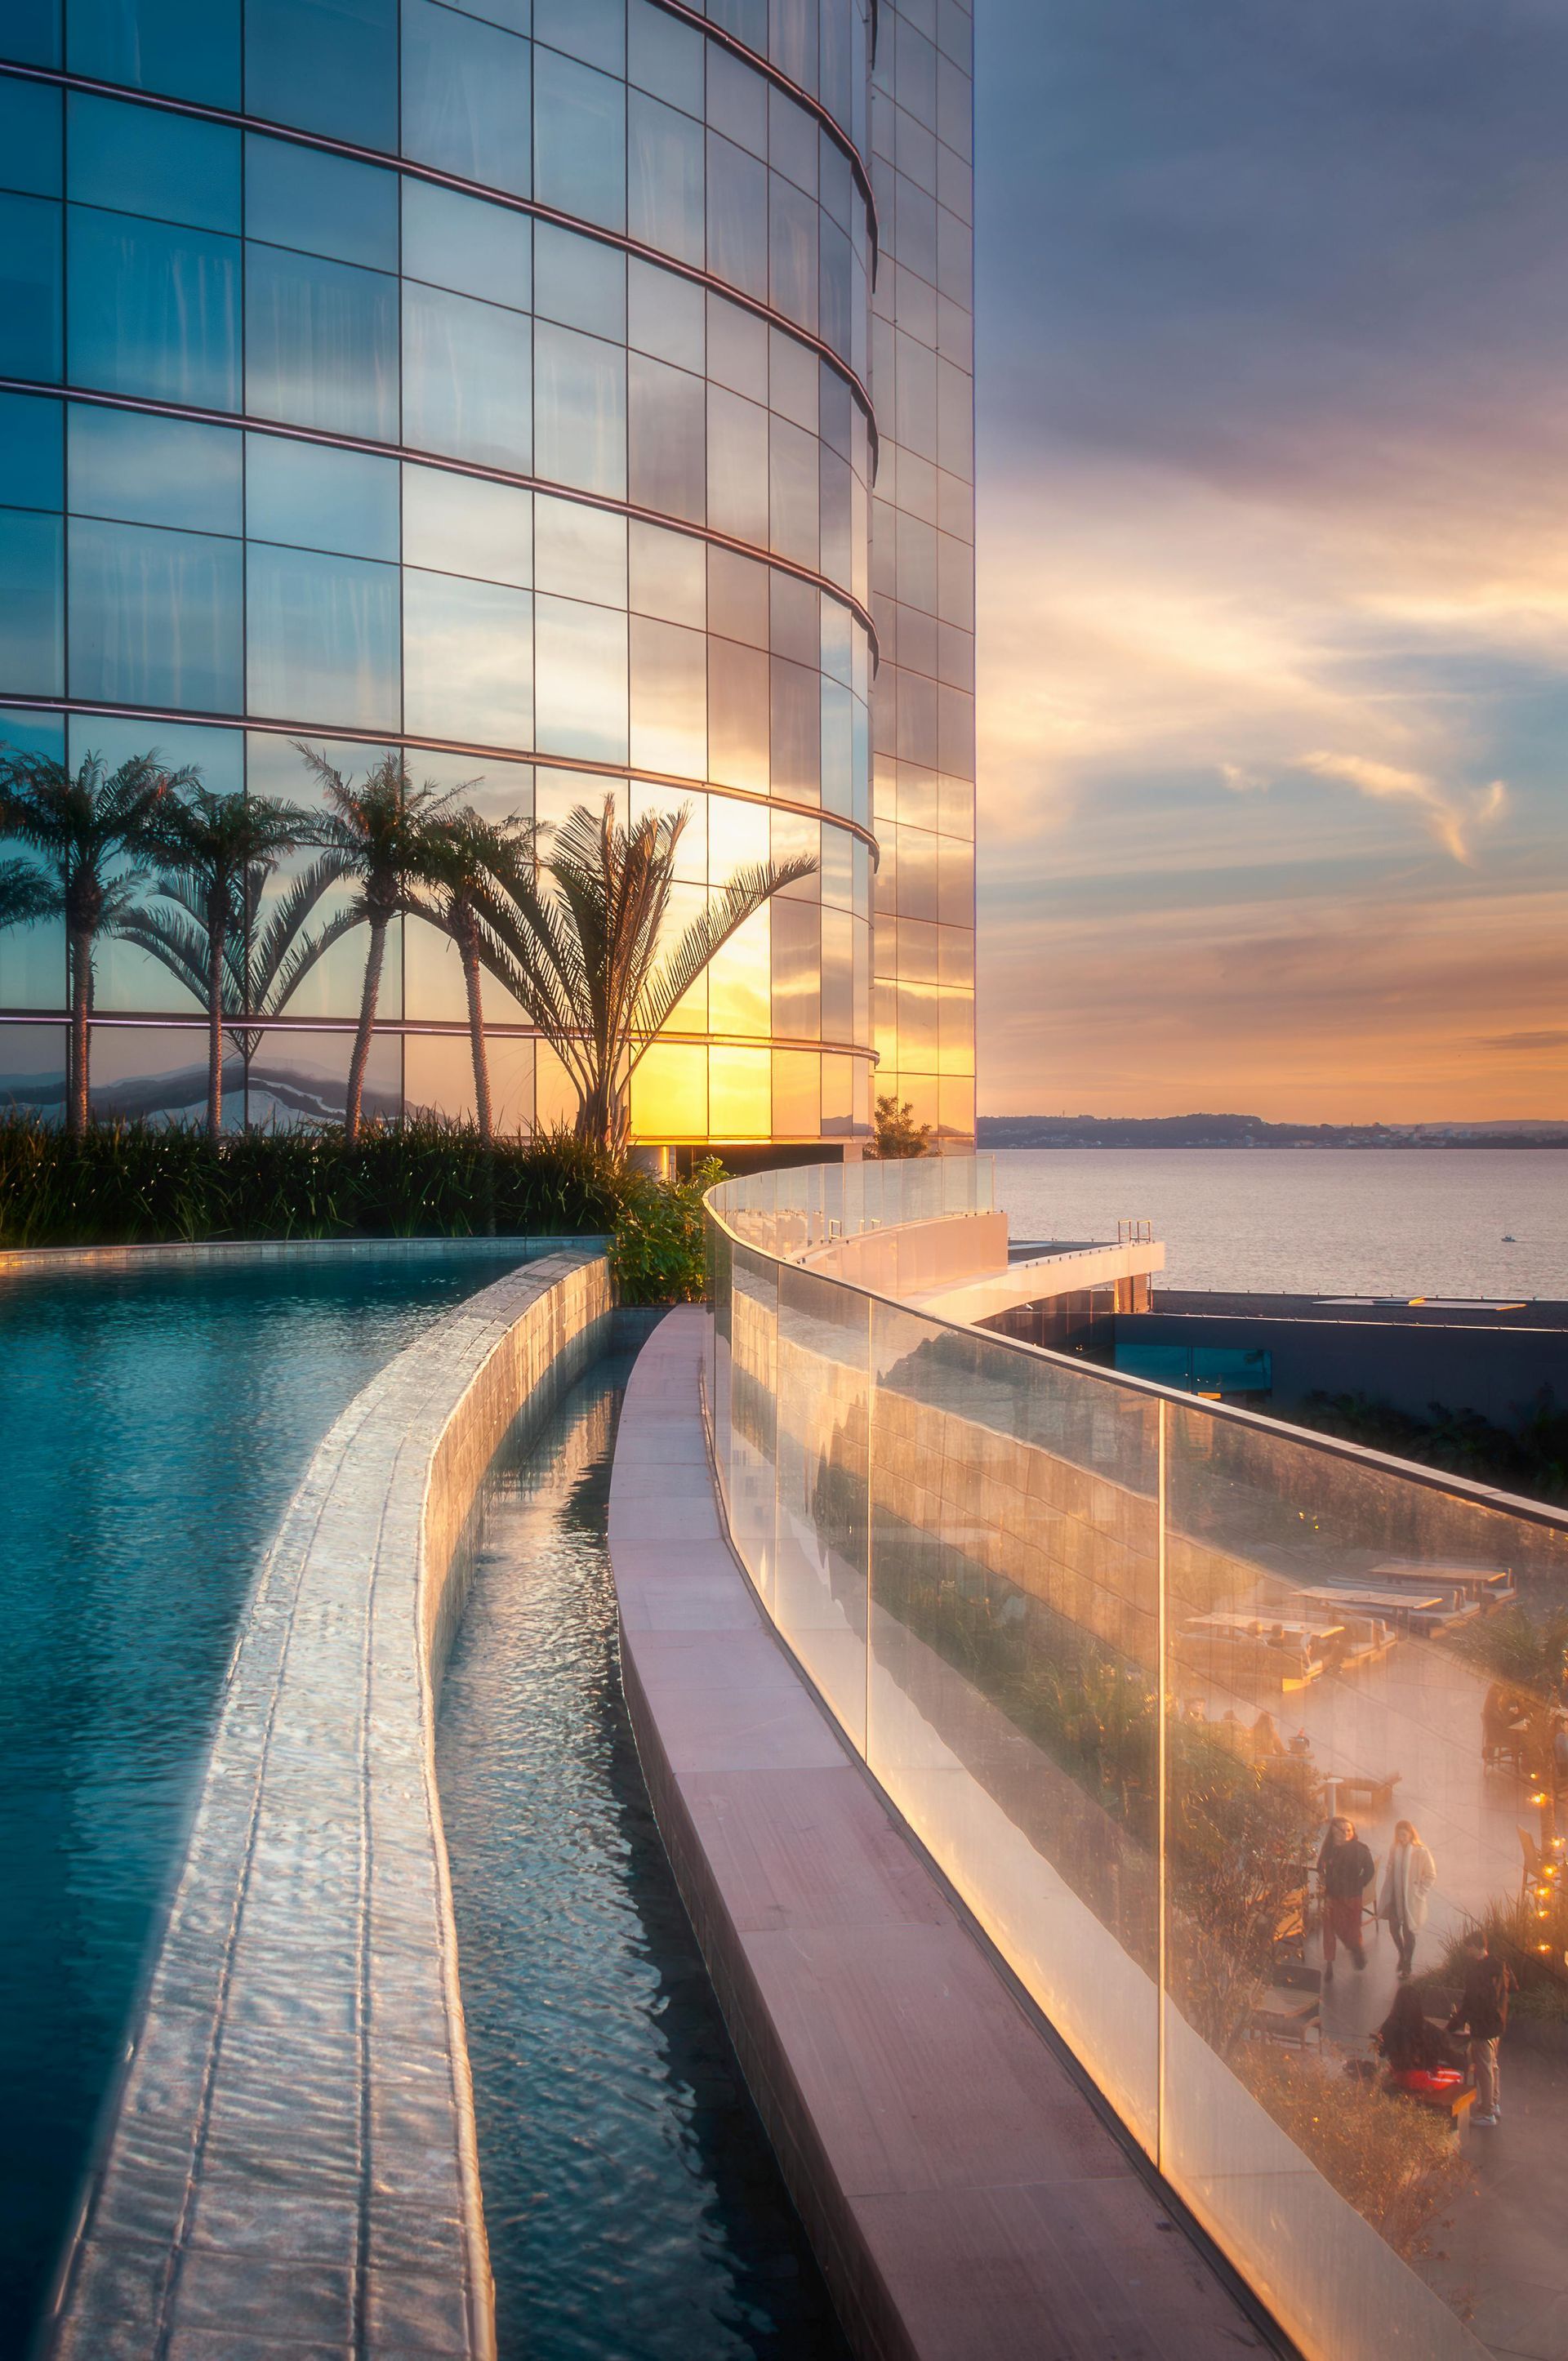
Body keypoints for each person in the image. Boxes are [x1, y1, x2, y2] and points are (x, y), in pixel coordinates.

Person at [1447, 1927, 1512, 2127]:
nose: (1467, 1952)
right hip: (1497, 2024)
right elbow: (1513, 1987)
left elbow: (1469, 2003)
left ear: (1476, 1947)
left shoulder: (1477, 1972)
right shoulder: (1501, 1965)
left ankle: (1487, 2113)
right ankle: (1494, 2102)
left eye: (1469, 1948)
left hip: (1482, 2027)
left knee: (1483, 2069)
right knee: (1493, 2065)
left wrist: (1454, 2024)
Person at [1317, 1815, 1374, 1980]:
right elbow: (1320, 1867)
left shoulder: (1360, 1849)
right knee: (1329, 1931)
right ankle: (1329, 1965)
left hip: (1352, 1896)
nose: (1345, 1833)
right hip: (1331, 1896)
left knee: (1351, 1929)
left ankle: (1355, 1949)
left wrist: (1359, 1883)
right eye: (1341, 1830)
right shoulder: (1328, 1849)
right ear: (1333, 1832)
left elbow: (1369, 1869)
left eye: (1348, 1830)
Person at [1379, 1820, 1437, 1977]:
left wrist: (1420, 1891)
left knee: (1409, 1933)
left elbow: (1431, 1874)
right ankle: (1402, 1954)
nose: (1402, 1838)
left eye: (1404, 1835)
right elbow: (1390, 1867)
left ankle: (1407, 1965)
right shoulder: (1395, 1849)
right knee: (1393, 1928)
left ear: (1411, 1834)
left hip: (1411, 1900)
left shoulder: (1421, 1852)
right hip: (1395, 1897)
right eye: (1399, 1836)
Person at [1378, 1983, 1463, 2079]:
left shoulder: (1390, 2025)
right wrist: (1468, 2064)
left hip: (1399, 2077)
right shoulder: (1428, 2030)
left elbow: (1381, 2051)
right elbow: (1447, 2054)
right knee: (1456, 2077)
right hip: (1423, 2079)